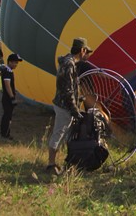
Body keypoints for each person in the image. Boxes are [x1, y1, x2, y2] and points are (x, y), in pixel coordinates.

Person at [47, 37, 92, 174]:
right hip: (64, 106)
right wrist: (74, 109)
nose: (87, 55)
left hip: (65, 105)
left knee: (67, 135)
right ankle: (51, 164)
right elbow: (67, 90)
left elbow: (69, 87)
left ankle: (66, 162)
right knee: (59, 133)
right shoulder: (69, 64)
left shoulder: (68, 62)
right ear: (82, 50)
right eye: (87, 52)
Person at [0, 53, 23, 140]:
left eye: (17, 63)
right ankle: (5, 134)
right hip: (7, 98)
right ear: (9, 62)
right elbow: (7, 85)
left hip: (8, 97)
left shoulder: (9, 71)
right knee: (7, 116)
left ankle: (6, 133)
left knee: (8, 116)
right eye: (14, 62)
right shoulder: (7, 72)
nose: (16, 64)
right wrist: (12, 97)